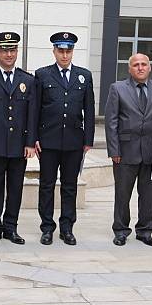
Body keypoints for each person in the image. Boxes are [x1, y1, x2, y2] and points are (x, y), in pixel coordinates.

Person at [104, 53, 152, 247]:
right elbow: (111, 122)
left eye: (144, 64)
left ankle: (145, 231)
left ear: (149, 67)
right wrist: (114, 150)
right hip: (125, 152)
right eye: (136, 65)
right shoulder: (117, 89)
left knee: (148, 195)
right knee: (123, 193)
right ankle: (121, 230)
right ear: (130, 69)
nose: (140, 68)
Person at [35, 32, 95, 246]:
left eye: (68, 50)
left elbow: (89, 109)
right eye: (60, 50)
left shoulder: (84, 76)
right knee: (47, 185)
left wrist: (88, 139)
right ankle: (47, 228)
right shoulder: (42, 75)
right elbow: (35, 109)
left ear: (72, 52)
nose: (64, 55)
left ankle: (67, 227)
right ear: (54, 51)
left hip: (73, 141)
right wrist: (34, 137)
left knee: (70, 186)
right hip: (48, 140)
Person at [0, 32, 36, 245]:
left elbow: (32, 114)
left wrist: (30, 143)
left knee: (15, 188)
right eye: (4, 50)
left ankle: (11, 227)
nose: (8, 54)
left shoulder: (28, 80)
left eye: (12, 50)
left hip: (20, 147)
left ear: (17, 52)